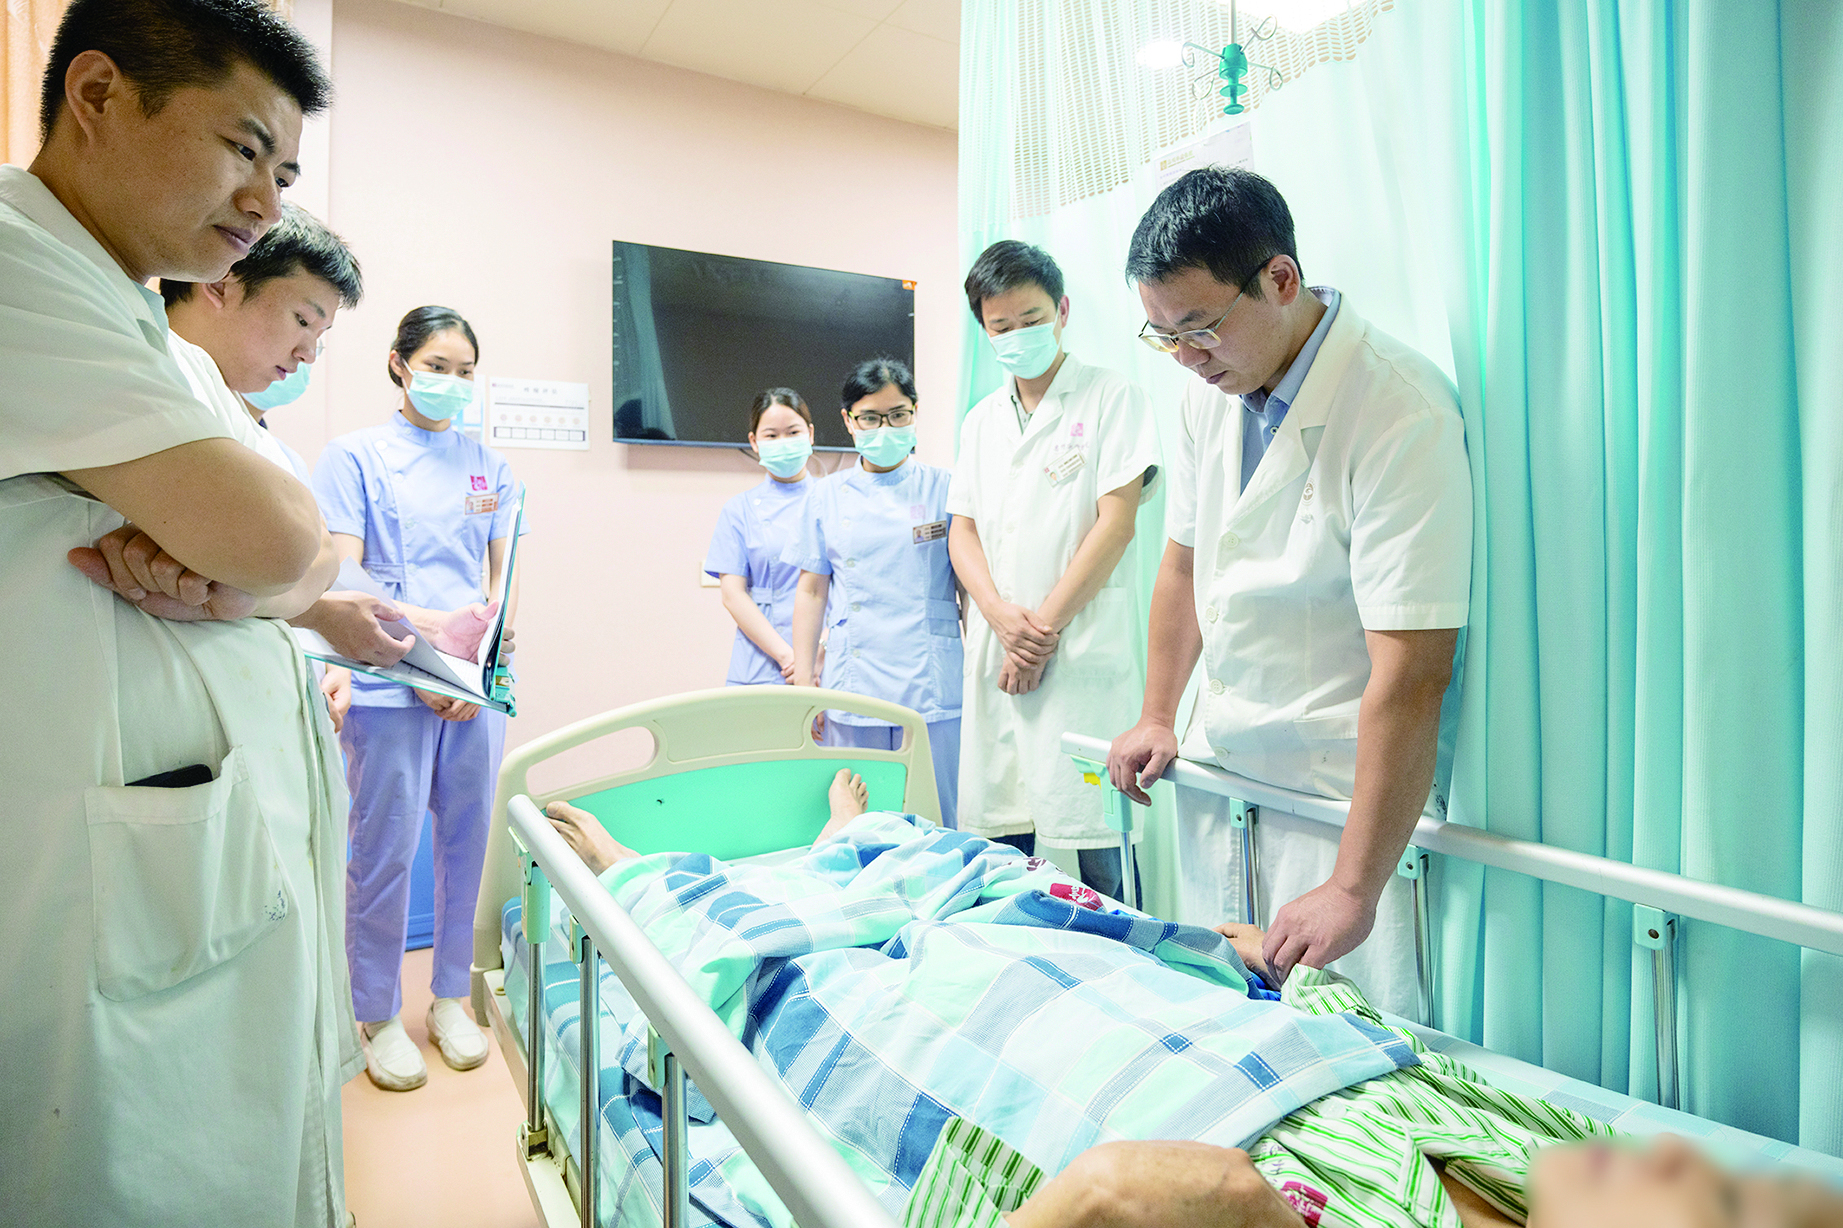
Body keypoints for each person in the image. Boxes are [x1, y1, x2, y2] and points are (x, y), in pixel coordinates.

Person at [546, 796, 1841, 1228]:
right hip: (1264, 1043)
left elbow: (1122, 1191)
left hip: (1063, 1085)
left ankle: (643, 873)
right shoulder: (1560, 1162)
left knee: (815, 977)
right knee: (990, 895)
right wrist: (1263, 969)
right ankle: (864, 831)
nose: (1684, 1171)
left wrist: (1172, 1192)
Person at [0, 0, 358, 1223]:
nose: (264, 200)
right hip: (109, 869)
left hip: (206, 847)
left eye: (285, 173)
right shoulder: (16, 263)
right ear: (98, 95)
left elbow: (294, 562)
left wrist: (256, 582)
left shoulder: (163, 338)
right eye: (243, 148)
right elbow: (282, 537)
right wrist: (267, 568)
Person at [1106, 167, 1472, 1014]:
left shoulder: (1399, 408)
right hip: (1225, 779)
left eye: (1200, 329)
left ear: (1279, 279)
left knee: (1348, 1046)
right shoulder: (1209, 394)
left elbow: (1413, 670)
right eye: (1163, 335)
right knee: (1215, 1028)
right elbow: (1184, 563)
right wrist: (1158, 713)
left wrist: (1351, 886)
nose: (1186, 358)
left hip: (1337, 806)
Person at [312, 306, 525, 1092]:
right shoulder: (353, 457)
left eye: (466, 371)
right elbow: (346, 576)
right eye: (438, 365)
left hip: (473, 685)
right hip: (387, 677)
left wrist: (480, 664)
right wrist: (431, 660)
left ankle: (447, 1000)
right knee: (384, 852)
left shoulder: (491, 468)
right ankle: (375, 1012)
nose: (453, 382)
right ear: (400, 364)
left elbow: (502, 582)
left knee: (468, 844)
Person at [949, 241, 1161, 898]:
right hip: (1000, 648)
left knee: (1103, 851)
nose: (1017, 336)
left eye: (1031, 319)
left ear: (1062, 311)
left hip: (1077, 655)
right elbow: (962, 531)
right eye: (1001, 326)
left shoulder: (1111, 397)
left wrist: (1037, 633)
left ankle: (1129, 959)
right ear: (985, 330)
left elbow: (1116, 523)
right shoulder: (980, 422)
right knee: (1000, 852)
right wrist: (998, 616)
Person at [160, 201, 401, 732]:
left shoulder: (234, 412)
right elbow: (285, 553)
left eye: (319, 335)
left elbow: (318, 560)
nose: (308, 353)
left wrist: (305, 619)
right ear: (221, 280)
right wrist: (304, 592)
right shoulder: (155, 373)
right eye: (302, 321)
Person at [786, 358, 964, 827]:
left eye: (897, 414)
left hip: (931, 677)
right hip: (855, 678)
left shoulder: (947, 488)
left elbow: (969, 587)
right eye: (870, 417)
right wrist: (804, 684)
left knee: (939, 813)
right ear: (848, 421)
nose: (885, 428)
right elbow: (811, 592)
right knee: (858, 820)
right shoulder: (825, 495)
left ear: (915, 413)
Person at [705, 388, 817, 685]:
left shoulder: (834, 501)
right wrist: (789, 658)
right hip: (761, 662)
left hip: (824, 660)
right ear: (754, 442)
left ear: (810, 434)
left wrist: (818, 653)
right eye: (771, 435)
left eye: (793, 432)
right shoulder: (739, 510)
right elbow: (733, 595)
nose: (783, 442)